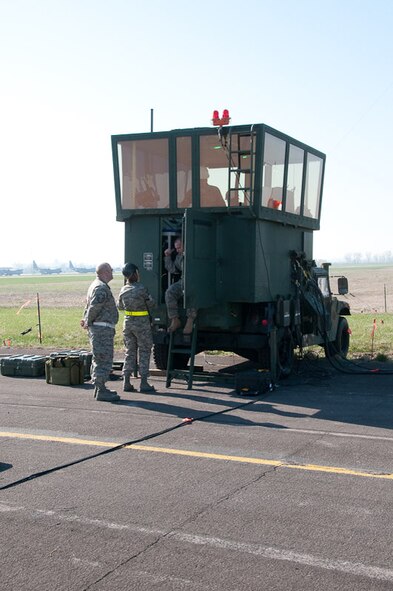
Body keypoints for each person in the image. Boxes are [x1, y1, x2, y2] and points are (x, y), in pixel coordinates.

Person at [80, 263, 120, 402]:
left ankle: (99, 388)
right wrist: (88, 321)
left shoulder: (96, 285)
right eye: (110, 270)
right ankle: (101, 389)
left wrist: (86, 320)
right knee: (103, 359)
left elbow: (89, 306)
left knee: (100, 358)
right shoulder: (101, 287)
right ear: (104, 272)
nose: (112, 272)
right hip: (101, 329)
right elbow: (94, 307)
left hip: (100, 328)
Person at [117, 263, 156, 393]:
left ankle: (126, 382)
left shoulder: (123, 290)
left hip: (128, 324)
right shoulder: (141, 288)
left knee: (130, 352)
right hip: (142, 325)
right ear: (134, 274)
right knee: (144, 351)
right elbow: (151, 304)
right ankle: (144, 383)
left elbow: (120, 306)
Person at [164, 238, 197, 334]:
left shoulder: (193, 253)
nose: (178, 250)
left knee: (191, 291)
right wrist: (167, 257)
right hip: (183, 281)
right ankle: (175, 319)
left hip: (195, 281)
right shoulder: (179, 257)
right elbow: (173, 269)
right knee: (169, 292)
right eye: (176, 248)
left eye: (179, 247)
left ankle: (190, 320)